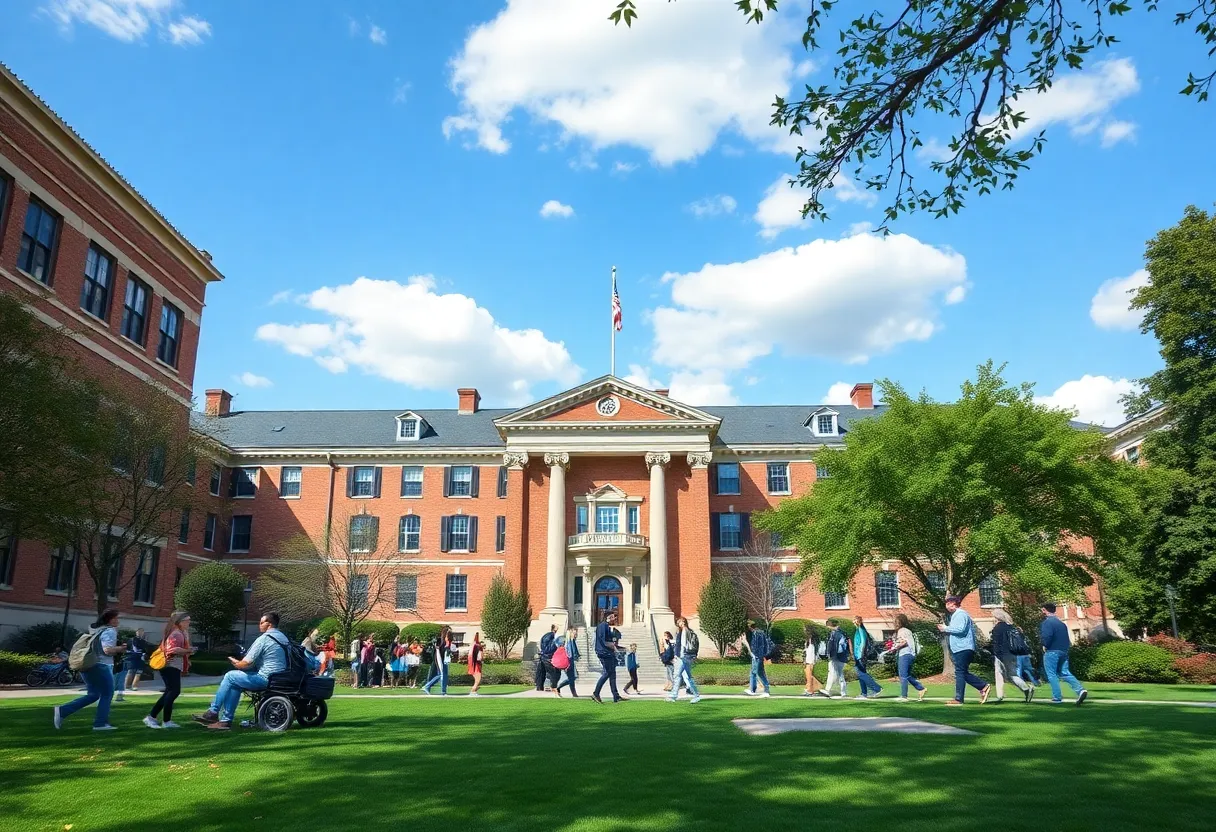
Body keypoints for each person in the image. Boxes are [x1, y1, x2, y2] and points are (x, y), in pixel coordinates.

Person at [193, 612, 291, 730]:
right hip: (280, 678)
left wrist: (236, 663)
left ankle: (213, 712)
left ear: (269, 624)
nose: (259, 625)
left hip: (265, 679)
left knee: (230, 676)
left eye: (261, 622)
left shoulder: (264, 639)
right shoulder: (283, 637)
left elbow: (246, 663)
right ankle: (225, 721)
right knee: (235, 684)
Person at [54, 609, 126, 731]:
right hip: (101, 665)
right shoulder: (110, 631)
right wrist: (121, 648)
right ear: (111, 619)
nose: (118, 621)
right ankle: (100, 724)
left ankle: (62, 711)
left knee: (93, 695)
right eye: (116, 618)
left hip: (88, 665)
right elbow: (107, 650)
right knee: (107, 694)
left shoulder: (97, 631)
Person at [937, 595, 992, 706]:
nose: (946, 606)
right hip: (961, 647)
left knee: (960, 672)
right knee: (962, 672)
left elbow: (960, 629)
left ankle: (959, 699)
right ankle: (983, 687)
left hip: (963, 647)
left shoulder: (960, 614)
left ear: (954, 603)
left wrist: (945, 628)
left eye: (948, 603)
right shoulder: (956, 615)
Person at [145, 611, 196, 729]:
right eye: (187, 620)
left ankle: (156, 718)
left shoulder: (181, 632)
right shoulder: (176, 634)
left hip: (173, 665)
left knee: (170, 691)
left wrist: (187, 655)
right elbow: (171, 650)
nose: (189, 622)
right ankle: (162, 720)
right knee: (174, 691)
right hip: (170, 665)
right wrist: (188, 651)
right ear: (180, 622)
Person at [1039, 602, 1088, 705]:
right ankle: (1080, 690)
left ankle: (1057, 697)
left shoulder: (1047, 623)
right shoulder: (1061, 623)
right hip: (1063, 651)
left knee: (1051, 674)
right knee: (1064, 672)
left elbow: (1047, 637)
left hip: (1052, 651)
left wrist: (1045, 645)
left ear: (1044, 610)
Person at [989, 609, 1034, 703]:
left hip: (1001, 655)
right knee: (1011, 675)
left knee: (1000, 675)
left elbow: (997, 644)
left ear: (997, 617)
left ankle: (1000, 696)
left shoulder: (997, 628)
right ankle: (1025, 688)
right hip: (1013, 654)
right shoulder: (1011, 627)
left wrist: (996, 654)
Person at [891, 614, 926, 702]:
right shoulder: (908, 631)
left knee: (902, 675)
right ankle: (921, 688)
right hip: (910, 655)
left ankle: (904, 696)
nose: (895, 623)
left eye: (896, 622)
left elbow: (903, 642)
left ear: (900, 622)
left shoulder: (902, 631)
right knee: (907, 675)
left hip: (905, 654)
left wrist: (894, 648)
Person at [666, 617, 701, 704]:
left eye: (682, 622)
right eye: (680, 622)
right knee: (688, 677)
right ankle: (696, 695)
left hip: (682, 657)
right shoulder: (690, 631)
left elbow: (683, 644)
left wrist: (678, 656)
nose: (682, 623)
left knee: (677, 676)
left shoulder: (684, 631)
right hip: (688, 656)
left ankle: (673, 695)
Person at [592, 612, 623, 703]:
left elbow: (608, 640)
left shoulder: (607, 627)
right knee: (607, 673)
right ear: (608, 617)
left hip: (608, 653)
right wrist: (613, 646)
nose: (615, 619)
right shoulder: (603, 626)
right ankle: (596, 693)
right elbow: (603, 641)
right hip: (604, 653)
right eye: (613, 617)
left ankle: (616, 696)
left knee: (612, 673)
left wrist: (614, 641)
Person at [851, 616, 883, 699]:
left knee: (861, 674)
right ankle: (864, 693)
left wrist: (861, 654)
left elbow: (863, 643)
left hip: (860, 655)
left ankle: (877, 688)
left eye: (854, 620)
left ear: (858, 622)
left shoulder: (861, 630)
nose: (853, 622)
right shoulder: (858, 630)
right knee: (861, 674)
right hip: (858, 655)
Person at [117, 627, 151, 701]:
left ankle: (134, 686)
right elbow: (127, 648)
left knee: (138, 672)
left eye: (142, 632)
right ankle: (127, 685)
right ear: (136, 632)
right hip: (133, 657)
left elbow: (145, 649)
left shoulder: (143, 641)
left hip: (140, 657)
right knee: (131, 671)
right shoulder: (131, 640)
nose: (140, 633)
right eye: (139, 632)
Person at [743, 622, 772, 697]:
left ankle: (764, 690)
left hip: (756, 656)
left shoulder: (755, 634)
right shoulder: (762, 633)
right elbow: (766, 644)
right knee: (755, 672)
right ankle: (753, 689)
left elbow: (754, 645)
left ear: (750, 627)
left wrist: (753, 654)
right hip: (760, 655)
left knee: (758, 673)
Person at [422, 627, 454, 696]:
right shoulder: (440, 640)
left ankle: (443, 691)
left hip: (444, 659)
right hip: (439, 658)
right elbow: (438, 650)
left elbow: (448, 650)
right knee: (441, 674)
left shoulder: (448, 641)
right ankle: (427, 686)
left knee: (444, 675)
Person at [824, 619, 850, 698]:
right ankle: (843, 692)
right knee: (840, 674)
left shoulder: (834, 634)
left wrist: (828, 654)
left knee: (832, 673)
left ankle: (828, 690)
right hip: (842, 656)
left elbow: (832, 645)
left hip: (835, 656)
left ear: (829, 626)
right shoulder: (842, 633)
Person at [556, 627, 580, 697]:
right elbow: (568, 653)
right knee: (572, 678)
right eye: (575, 632)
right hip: (568, 662)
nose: (576, 633)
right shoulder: (568, 642)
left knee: (572, 677)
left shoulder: (572, 641)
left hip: (571, 661)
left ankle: (561, 688)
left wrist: (577, 656)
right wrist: (568, 663)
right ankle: (573, 693)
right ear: (571, 632)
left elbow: (573, 652)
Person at [535, 624, 559, 692]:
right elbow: (551, 647)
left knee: (542, 672)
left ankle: (539, 687)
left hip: (543, 656)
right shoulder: (552, 636)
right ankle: (553, 687)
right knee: (553, 673)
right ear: (555, 629)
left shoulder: (545, 636)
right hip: (548, 657)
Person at [802, 625, 823, 697]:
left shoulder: (811, 641)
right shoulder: (809, 640)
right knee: (808, 675)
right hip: (809, 659)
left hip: (810, 660)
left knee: (809, 675)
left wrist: (809, 661)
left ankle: (810, 690)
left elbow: (811, 652)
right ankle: (812, 687)